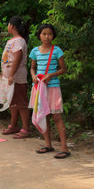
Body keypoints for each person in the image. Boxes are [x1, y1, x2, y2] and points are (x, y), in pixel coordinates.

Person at [31, 24, 69, 159]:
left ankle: (64, 147)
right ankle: (48, 144)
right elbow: (32, 68)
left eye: (50, 34)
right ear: (39, 35)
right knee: (43, 114)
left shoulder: (57, 50)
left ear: (53, 36)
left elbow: (63, 69)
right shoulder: (35, 51)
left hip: (53, 87)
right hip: (39, 88)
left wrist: (50, 75)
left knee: (56, 116)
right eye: (44, 34)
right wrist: (33, 76)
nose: (47, 37)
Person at [0, 16, 30, 138]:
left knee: (21, 102)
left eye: (8, 24)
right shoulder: (12, 41)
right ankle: (13, 125)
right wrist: (4, 73)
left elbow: (17, 59)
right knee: (12, 102)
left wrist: (11, 74)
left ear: (12, 25)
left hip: (18, 77)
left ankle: (25, 128)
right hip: (9, 78)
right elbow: (7, 59)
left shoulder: (19, 41)